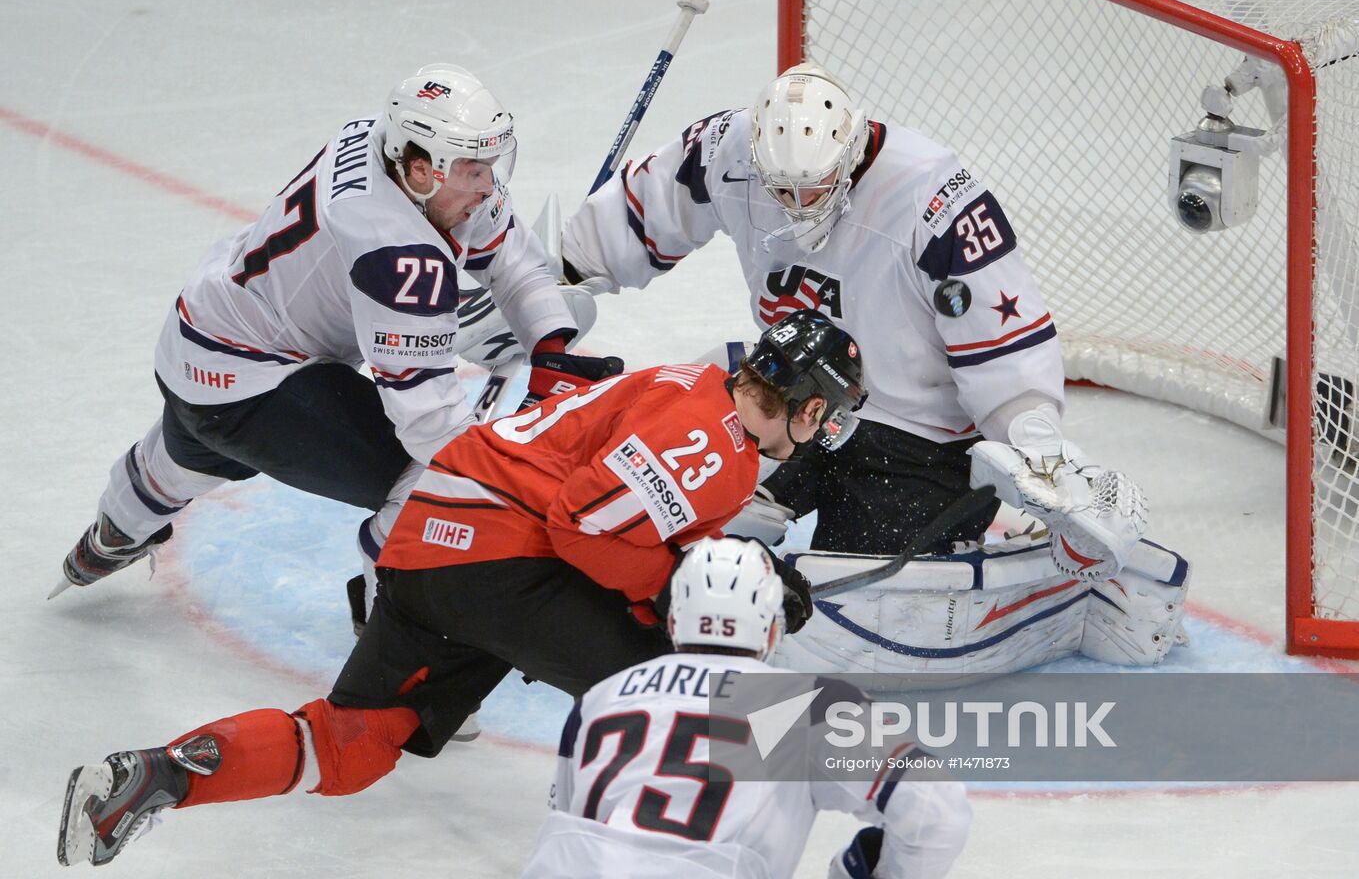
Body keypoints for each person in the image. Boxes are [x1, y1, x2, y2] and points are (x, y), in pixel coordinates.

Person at [55, 312, 867, 869]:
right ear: (811, 406)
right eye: (829, 418)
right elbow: (584, 528)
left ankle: (165, 774)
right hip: (503, 558)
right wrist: (684, 591)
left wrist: (721, 563)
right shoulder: (714, 444)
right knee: (683, 684)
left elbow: (633, 514)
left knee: (355, 740)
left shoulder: (692, 393)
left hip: (433, 546)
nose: (827, 435)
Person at [52, 63, 619, 608]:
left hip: (203, 333)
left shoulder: (386, 143)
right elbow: (433, 428)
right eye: (475, 170)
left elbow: (514, 261)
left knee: (191, 445)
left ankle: (112, 533)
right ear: (422, 170)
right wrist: (516, 466)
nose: (488, 185)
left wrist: (551, 349)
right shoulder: (396, 252)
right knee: (440, 484)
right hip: (250, 380)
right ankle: (388, 624)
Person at [561, 63, 1147, 584]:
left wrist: (1036, 450)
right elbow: (648, 205)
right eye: (779, 189)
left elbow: (1004, 346)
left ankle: (980, 529)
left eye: (812, 186)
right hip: (788, 389)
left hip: (917, 436)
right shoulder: (730, 148)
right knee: (695, 519)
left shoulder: (933, 199)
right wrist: (559, 285)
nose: (796, 204)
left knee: (861, 586)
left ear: (848, 154)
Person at [520, 536, 972, 879]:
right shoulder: (806, 705)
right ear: (772, 632)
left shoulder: (602, 696)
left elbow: (570, 818)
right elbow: (935, 807)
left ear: (674, 622)